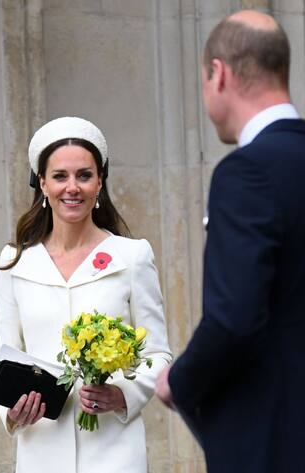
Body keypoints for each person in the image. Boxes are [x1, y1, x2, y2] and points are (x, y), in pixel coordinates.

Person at [156, 9, 305, 473]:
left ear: (217, 74)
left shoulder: (247, 173)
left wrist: (177, 381)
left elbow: (234, 319)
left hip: (274, 440)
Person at [0, 116, 172, 473]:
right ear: (42, 183)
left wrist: (122, 393)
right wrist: (11, 412)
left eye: (84, 175)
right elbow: (3, 357)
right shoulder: (15, 263)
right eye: (60, 176)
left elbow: (157, 353)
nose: (72, 187)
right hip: (40, 450)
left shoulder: (133, 256)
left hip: (114, 453)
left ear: (100, 182)